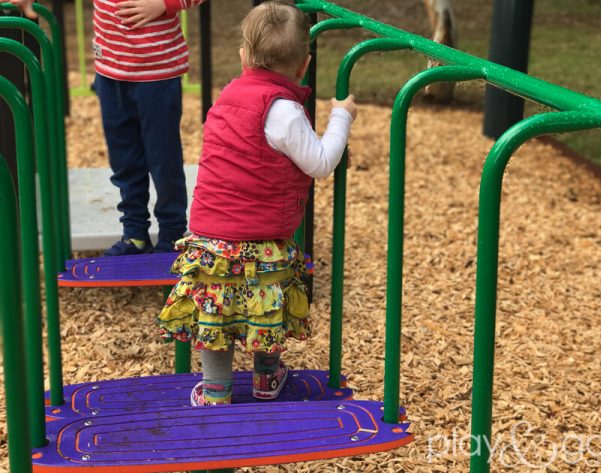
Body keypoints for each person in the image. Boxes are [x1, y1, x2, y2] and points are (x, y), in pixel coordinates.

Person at [157, 0, 358, 406]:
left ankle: (216, 389)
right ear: (304, 65)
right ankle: (267, 379)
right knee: (267, 301)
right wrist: (342, 117)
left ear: (244, 56)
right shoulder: (283, 110)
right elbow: (320, 163)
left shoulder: (228, 96)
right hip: (263, 240)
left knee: (216, 308)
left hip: (211, 239)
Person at [11, 0, 205, 255]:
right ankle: (134, 233)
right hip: (110, 74)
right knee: (124, 160)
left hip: (157, 74)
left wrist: (163, 4)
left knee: (163, 160)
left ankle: (172, 233)